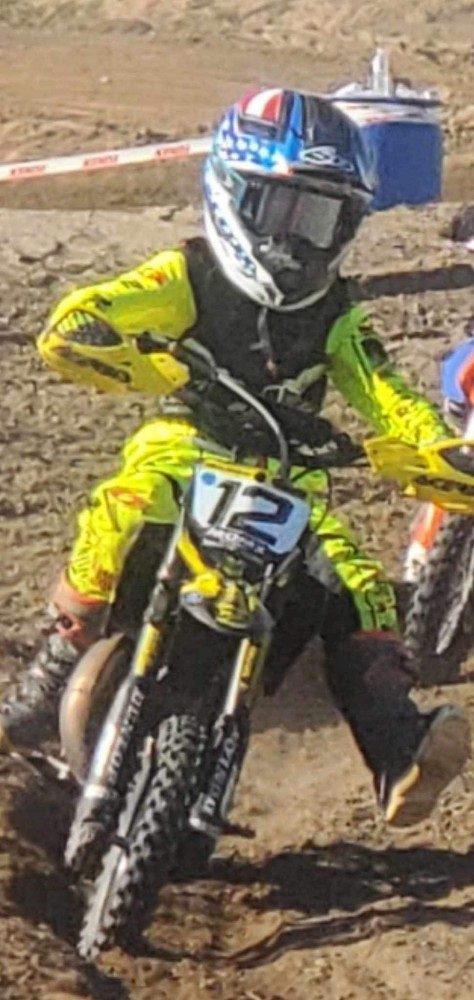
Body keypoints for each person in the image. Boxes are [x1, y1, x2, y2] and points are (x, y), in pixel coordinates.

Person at [1, 88, 470, 829]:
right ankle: (54, 669)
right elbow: (86, 316)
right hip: (184, 448)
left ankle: (398, 746)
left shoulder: (337, 315)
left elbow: (389, 397)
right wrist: (132, 353)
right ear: (232, 193)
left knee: (361, 585)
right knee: (121, 512)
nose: (295, 241)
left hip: (290, 481)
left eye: (316, 219)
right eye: (280, 211)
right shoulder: (186, 275)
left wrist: (443, 452)